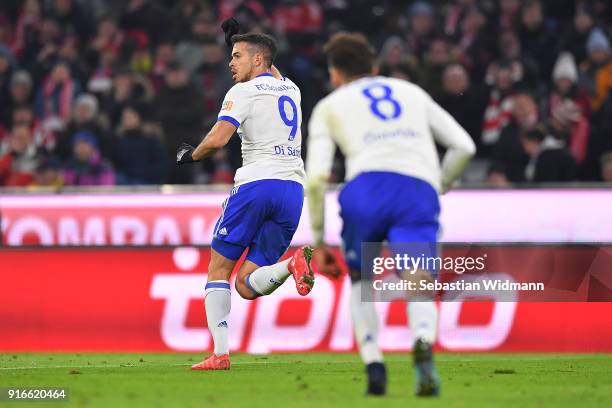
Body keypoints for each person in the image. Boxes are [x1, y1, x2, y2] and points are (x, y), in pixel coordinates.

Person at [305, 32, 475, 397]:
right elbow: (464, 146)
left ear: (335, 74)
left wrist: (318, 240)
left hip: (365, 188)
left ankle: (374, 364)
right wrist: (439, 183)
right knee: (418, 280)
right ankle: (424, 341)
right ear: (376, 66)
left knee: (361, 279)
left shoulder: (329, 105)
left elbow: (317, 177)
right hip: (416, 189)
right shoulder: (411, 92)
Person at [175, 19, 314, 371]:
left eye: (236, 56)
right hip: (293, 191)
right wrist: (238, 40)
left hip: (256, 185)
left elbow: (219, 138)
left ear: (258, 60)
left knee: (218, 269)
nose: (229, 63)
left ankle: (220, 354)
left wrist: (192, 155)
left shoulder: (243, 93)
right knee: (247, 285)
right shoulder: (292, 89)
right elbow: (269, 63)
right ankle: (292, 265)